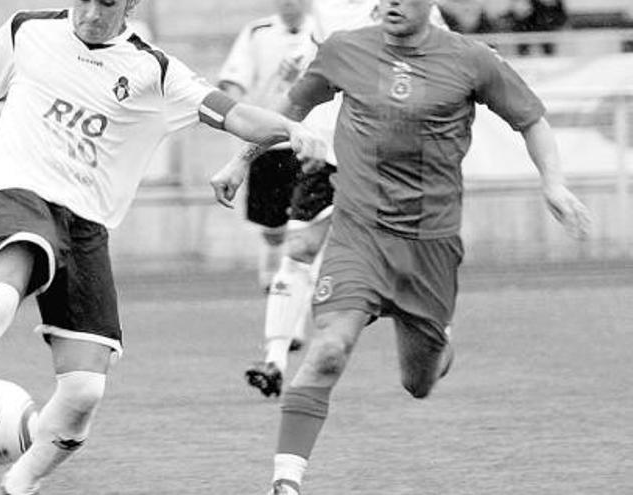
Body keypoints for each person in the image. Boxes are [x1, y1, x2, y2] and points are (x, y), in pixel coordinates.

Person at [0, 1, 326, 494]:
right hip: (16, 193)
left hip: (86, 226)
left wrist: (293, 129)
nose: (90, 13)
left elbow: (235, 115)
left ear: (129, 4)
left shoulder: (155, 69)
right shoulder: (27, 30)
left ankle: (16, 486)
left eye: (106, 3)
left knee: (84, 391)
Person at [210, 0, 592, 493]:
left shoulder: (472, 59)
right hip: (358, 234)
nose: (389, 2)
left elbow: (531, 119)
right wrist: (240, 162)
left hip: (429, 247)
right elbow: (291, 108)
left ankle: (438, 345)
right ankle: (285, 481)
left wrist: (554, 185)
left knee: (419, 383)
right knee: (327, 351)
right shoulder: (345, 49)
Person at [242, 0, 448, 399]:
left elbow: (443, 46)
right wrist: (298, 61)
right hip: (326, 152)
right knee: (299, 247)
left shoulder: (407, 7)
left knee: (406, 265)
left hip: (388, 157)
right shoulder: (325, 7)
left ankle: (436, 328)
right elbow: (316, 52)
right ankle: (274, 358)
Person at [217, 0, 337, 397]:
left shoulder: (329, 26)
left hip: (324, 149)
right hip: (276, 144)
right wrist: (235, 113)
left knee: (302, 243)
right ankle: (278, 322)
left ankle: (288, 325)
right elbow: (236, 83)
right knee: (279, 235)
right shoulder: (258, 34)